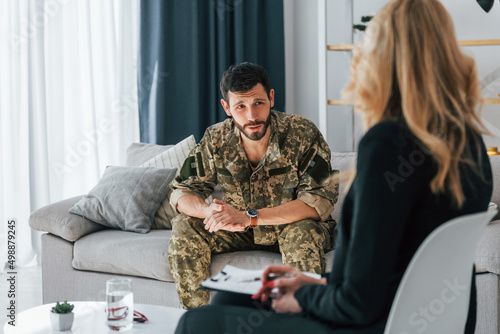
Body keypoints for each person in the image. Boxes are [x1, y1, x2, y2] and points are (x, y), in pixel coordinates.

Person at [173, 0, 493, 332]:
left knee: (198, 322)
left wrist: (305, 297)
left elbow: (356, 302)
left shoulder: (388, 143)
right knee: (230, 298)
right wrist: (309, 283)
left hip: (372, 322)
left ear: (379, 61)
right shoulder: (466, 141)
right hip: (418, 317)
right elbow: (386, 269)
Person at [168, 62, 339, 309]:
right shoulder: (216, 139)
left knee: (302, 233)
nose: (252, 116)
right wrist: (213, 214)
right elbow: (182, 191)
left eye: (258, 103)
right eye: (240, 106)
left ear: (271, 97)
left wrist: (250, 217)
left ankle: (301, 325)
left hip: (290, 225)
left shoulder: (302, 132)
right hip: (238, 229)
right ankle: (199, 321)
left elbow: (317, 202)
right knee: (185, 226)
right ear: (226, 107)